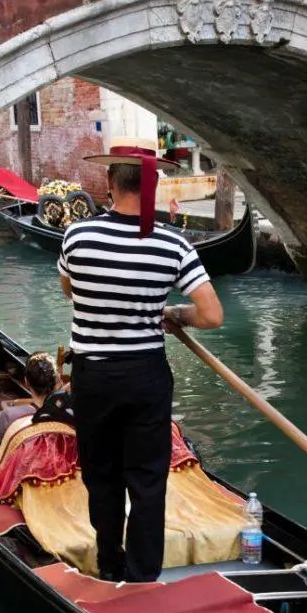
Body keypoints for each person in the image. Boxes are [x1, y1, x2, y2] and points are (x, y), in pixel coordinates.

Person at [58, 135, 224, 583]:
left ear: (111, 181)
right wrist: (171, 313)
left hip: (93, 376)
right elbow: (211, 315)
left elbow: (70, 290)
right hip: (146, 375)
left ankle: (110, 562)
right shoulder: (174, 245)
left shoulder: (77, 235)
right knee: (148, 480)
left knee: (102, 474)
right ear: (151, 186)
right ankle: (143, 575)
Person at [0, 351, 66, 473]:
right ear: (56, 382)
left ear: (26, 382)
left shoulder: (10, 416)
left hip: (18, 481)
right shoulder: (67, 414)